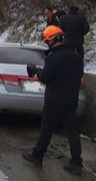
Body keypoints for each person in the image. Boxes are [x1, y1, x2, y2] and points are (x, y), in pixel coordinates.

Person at [22, 25, 84, 175]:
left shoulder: (53, 58)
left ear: (51, 41)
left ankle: (37, 155)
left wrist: (36, 71)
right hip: (71, 100)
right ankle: (76, 163)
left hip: (55, 100)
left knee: (46, 129)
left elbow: (45, 78)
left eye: (47, 41)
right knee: (71, 131)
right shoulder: (77, 58)